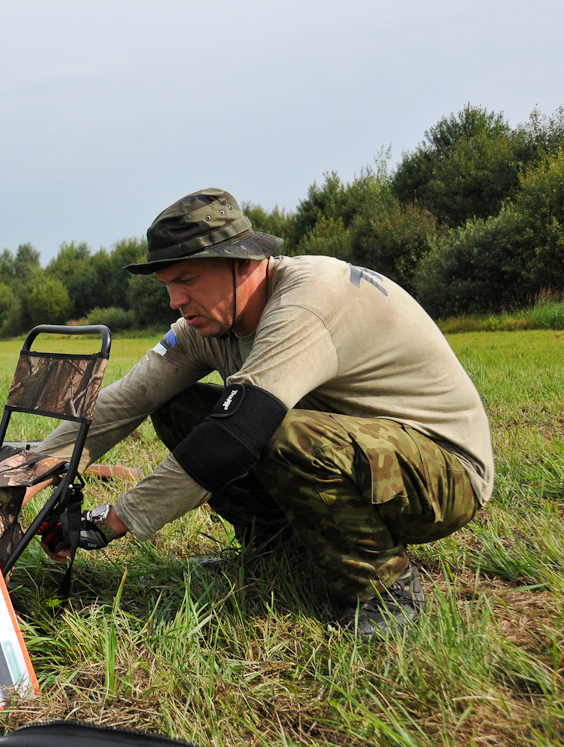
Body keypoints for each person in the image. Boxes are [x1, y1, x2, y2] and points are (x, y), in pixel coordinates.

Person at [34, 188, 494, 635]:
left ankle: (384, 589)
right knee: (177, 406)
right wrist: (29, 473)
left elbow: (234, 437)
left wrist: (114, 521)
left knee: (268, 430)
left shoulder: (305, 302)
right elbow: (125, 400)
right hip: (368, 449)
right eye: (168, 285)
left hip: (444, 474)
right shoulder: (208, 324)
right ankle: (277, 551)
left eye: (188, 280)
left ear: (245, 263)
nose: (175, 300)